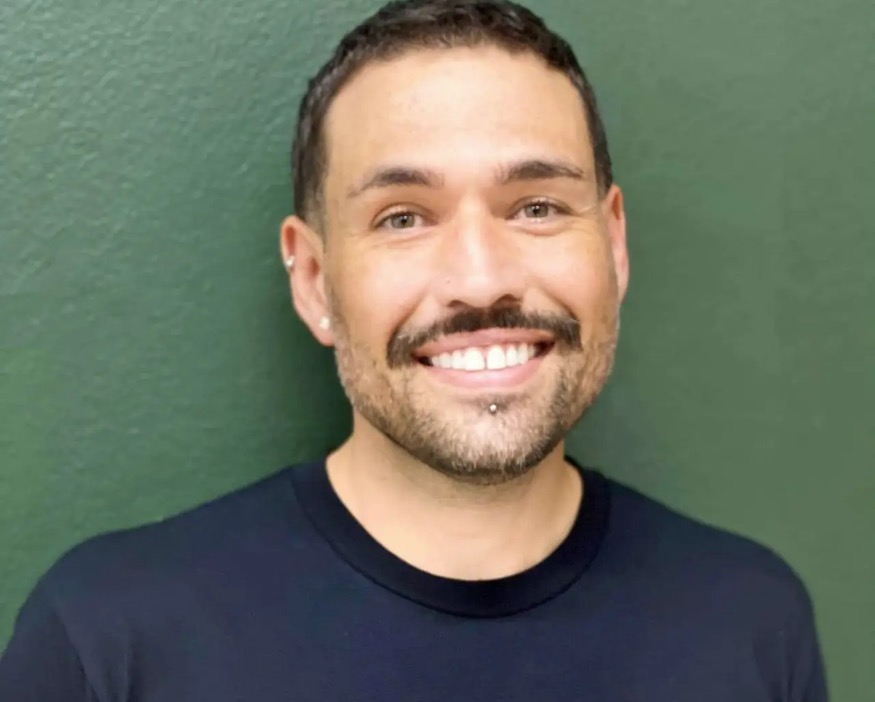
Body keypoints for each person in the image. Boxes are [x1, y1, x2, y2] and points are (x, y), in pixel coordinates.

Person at [0, 0, 828, 699]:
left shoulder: (751, 622)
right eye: (402, 218)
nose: (480, 279)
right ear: (314, 281)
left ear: (612, 247)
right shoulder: (108, 642)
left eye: (537, 207)